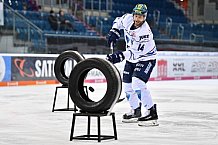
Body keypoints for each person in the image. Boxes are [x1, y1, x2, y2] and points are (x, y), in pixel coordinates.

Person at [106, 4, 158, 126]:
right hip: (132, 58)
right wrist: (114, 31)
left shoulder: (145, 32)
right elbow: (118, 21)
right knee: (127, 86)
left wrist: (119, 56)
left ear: (144, 17)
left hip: (146, 58)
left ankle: (151, 112)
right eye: (136, 16)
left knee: (137, 83)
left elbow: (134, 52)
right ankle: (135, 110)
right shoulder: (128, 18)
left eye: (140, 17)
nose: (137, 19)